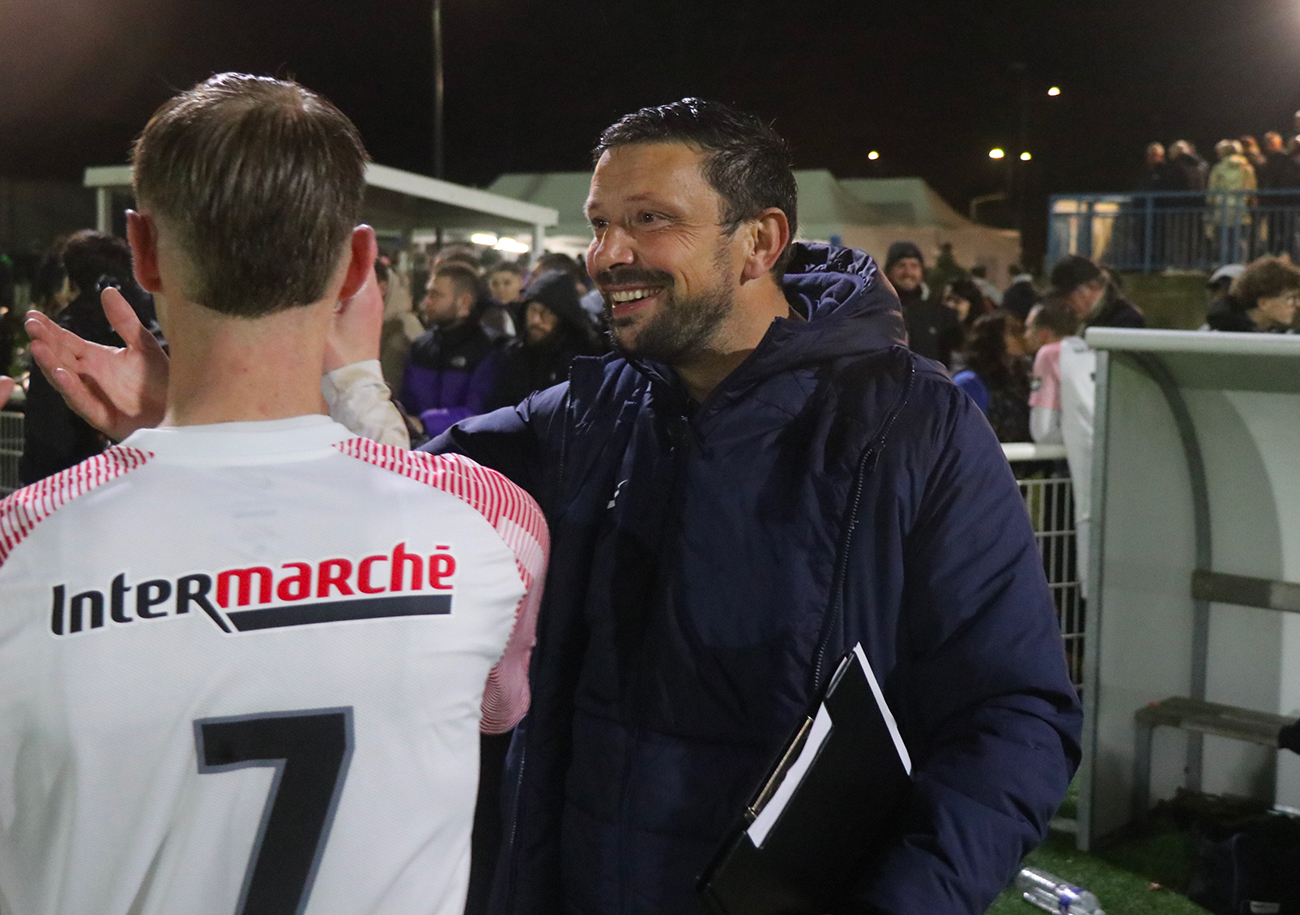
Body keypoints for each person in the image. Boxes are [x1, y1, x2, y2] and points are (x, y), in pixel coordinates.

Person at [23, 97, 1082, 915]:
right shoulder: (590, 407)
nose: (607, 256)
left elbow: (1015, 716)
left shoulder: (915, 427)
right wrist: (206, 419)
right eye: (601, 224)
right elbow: (391, 491)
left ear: (758, 241)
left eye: (649, 222)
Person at [0, 73, 547, 915]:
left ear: (142, 250)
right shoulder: (493, 524)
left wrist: (170, 433)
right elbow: (491, 709)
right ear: (358, 263)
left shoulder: (22, 547)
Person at [19, 229, 162, 484]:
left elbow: (48, 437)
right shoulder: (153, 324)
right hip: (148, 482)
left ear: (70, 279)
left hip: (75, 485)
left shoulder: (63, 335)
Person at [401, 261, 503, 437]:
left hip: (464, 449)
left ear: (464, 302)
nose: (426, 301)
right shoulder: (421, 346)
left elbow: (479, 413)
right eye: (428, 293)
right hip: (418, 447)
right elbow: (406, 402)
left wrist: (425, 423)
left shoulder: (490, 349)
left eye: (435, 295)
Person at [486, 269, 604, 411]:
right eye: (532, 310)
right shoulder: (512, 356)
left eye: (546, 313)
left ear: (562, 317)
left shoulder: (583, 360)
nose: (536, 320)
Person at [951, 310, 1031, 442]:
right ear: (993, 339)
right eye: (1013, 332)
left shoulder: (1023, 377)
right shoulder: (970, 383)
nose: (1022, 337)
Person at [887, 240, 961, 368]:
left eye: (914, 266)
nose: (908, 272)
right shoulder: (875, 310)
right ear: (889, 271)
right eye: (901, 265)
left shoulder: (939, 312)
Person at [1024, 298, 1081, 445]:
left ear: (1043, 334)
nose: (1025, 336)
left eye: (1029, 329)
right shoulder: (1089, 350)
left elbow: (1042, 431)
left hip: (1070, 452)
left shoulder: (1048, 354)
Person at [1205, 255, 1300, 332]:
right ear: (1263, 303)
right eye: (1289, 298)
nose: (1297, 303)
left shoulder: (1278, 335)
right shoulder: (1217, 338)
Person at [1049, 254, 1145, 329]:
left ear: (1089, 288)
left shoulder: (1126, 319)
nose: (1066, 305)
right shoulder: (1077, 319)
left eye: (1068, 297)